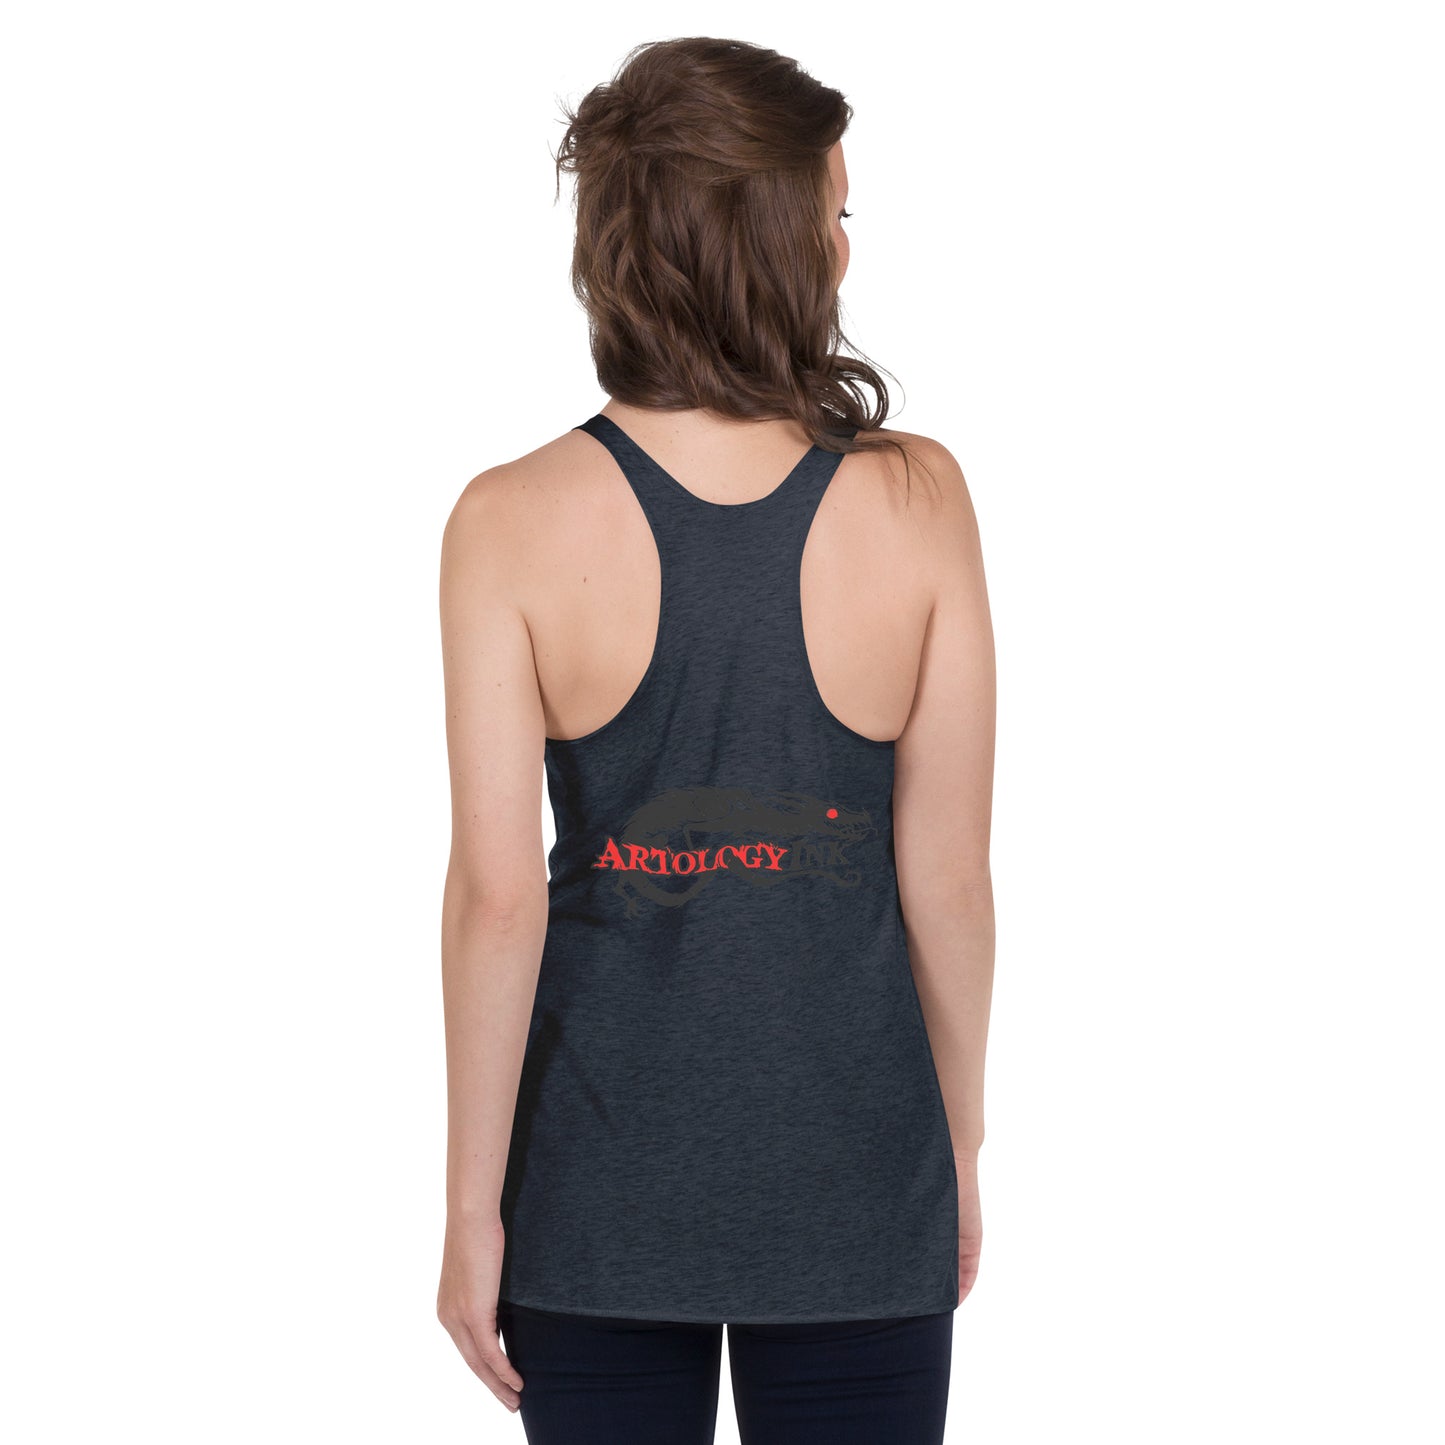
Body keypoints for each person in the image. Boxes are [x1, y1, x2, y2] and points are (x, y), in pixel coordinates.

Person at [436, 36, 995, 1445]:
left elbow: (498, 899)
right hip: (860, 1184)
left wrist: (470, 1208)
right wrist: (958, 1140)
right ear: (777, 243)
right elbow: (947, 881)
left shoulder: (506, 521)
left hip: (592, 1198)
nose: (845, 248)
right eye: (836, 214)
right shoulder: (920, 501)